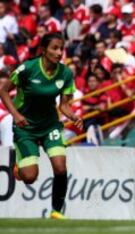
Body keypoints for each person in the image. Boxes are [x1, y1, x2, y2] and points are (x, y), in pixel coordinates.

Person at [0, 32, 83, 219]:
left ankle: (56, 211)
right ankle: (18, 168)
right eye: (55, 48)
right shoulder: (28, 68)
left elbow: (64, 105)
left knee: (61, 168)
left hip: (50, 126)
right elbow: (4, 91)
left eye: (61, 48)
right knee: (29, 177)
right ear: (44, 50)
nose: (59, 52)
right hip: (25, 127)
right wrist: (16, 114)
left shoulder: (66, 73)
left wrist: (73, 116)